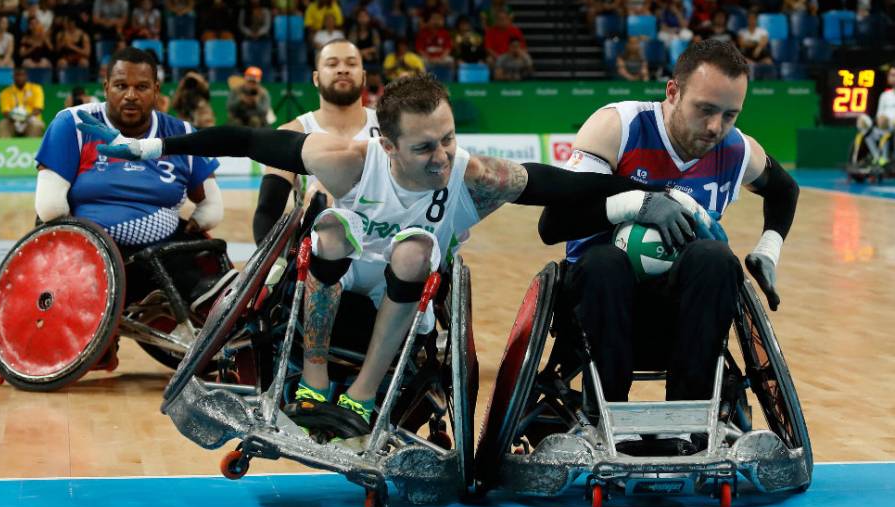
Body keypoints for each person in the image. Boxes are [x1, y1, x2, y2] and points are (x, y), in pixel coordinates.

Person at [85, 72, 715, 444]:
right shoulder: (346, 159)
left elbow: (563, 184)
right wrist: (154, 146)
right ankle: (313, 376)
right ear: (385, 144)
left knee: (415, 249)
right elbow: (246, 140)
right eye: (423, 149)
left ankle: (360, 395)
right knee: (330, 226)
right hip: (338, 276)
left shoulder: (474, 177)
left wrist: (643, 198)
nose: (441, 158)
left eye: (447, 140)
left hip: (413, 291)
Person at [538, 41, 799, 448]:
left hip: (682, 311)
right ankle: (603, 419)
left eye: (730, 115)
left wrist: (768, 248)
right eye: (706, 109)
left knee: (715, 257)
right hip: (598, 303)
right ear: (673, 92)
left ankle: (687, 419)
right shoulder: (618, 127)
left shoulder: (736, 149)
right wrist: (639, 203)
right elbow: (552, 223)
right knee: (605, 261)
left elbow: (785, 190)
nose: (716, 127)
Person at [35, 46, 227, 308]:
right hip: (90, 253)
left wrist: (201, 219)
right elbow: (50, 209)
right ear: (106, 87)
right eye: (121, 86)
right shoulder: (74, 123)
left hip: (162, 252)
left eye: (142, 87)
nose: (131, 95)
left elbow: (211, 207)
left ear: (157, 91)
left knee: (213, 265)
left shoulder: (182, 132)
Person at [253, 39, 380, 245]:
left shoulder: (389, 128)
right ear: (316, 78)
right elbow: (268, 211)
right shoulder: (292, 132)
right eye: (332, 64)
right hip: (319, 258)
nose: (342, 70)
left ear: (364, 77)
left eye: (351, 63)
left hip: (383, 252)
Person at [851, 65, 895, 168]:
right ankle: (877, 157)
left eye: (894, 75)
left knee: (883, 120)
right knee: (862, 120)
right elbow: (879, 115)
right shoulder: (884, 95)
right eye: (891, 75)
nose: (892, 77)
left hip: (892, 129)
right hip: (881, 127)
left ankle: (884, 157)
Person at [0, 67, 44, 137]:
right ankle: (5, 147)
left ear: (26, 76)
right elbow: (5, 112)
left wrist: (24, 117)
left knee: (37, 124)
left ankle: (31, 147)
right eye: (17, 75)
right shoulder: (6, 92)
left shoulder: (36, 89)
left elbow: (38, 110)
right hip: (12, 120)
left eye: (22, 75)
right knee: (3, 124)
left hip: (30, 119)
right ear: (13, 77)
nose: (20, 78)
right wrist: (16, 118)